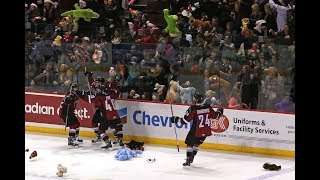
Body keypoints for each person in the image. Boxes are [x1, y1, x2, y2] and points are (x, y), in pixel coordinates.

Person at [171, 92, 224, 166]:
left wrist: (176, 119)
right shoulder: (207, 107)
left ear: (194, 99)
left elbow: (185, 121)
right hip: (206, 130)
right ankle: (192, 156)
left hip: (196, 130)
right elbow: (216, 116)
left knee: (190, 143)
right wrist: (219, 112)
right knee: (197, 143)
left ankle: (189, 158)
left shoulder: (193, 109)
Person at [84, 71, 121, 144]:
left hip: (105, 110)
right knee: (94, 122)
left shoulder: (106, 86)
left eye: (97, 82)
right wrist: (89, 76)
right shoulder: (98, 87)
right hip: (100, 108)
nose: (95, 83)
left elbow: (113, 86)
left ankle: (116, 137)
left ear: (101, 82)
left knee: (110, 124)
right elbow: (91, 84)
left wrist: (116, 80)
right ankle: (99, 136)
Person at [91, 84, 124, 149]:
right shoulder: (111, 94)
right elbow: (117, 92)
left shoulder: (99, 97)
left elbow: (96, 105)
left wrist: (93, 98)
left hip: (107, 116)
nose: (97, 91)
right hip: (116, 115)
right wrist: (117, 86)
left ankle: (108, 143)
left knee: (101, 131)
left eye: (98, 90)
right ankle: (120, 140)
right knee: (119, 128)